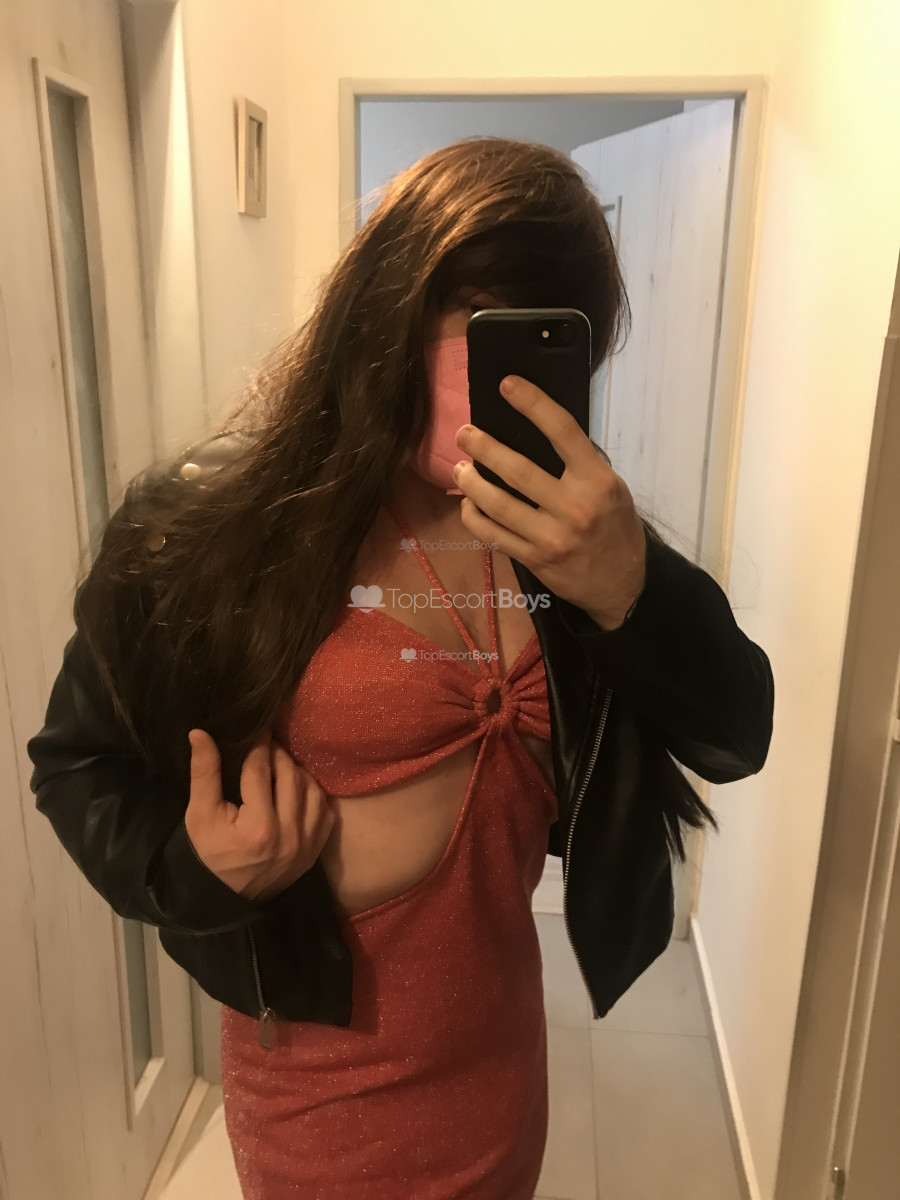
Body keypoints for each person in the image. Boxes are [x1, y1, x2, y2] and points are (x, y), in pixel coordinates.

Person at [26, 136, 774, 1199]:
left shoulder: (572, 541)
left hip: (499, 1062)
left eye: (550, 340)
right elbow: (76, 766)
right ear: (385, 312)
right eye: (478, 321)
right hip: (320, 1096)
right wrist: (195, 868)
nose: (506, 377)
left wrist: (632, 590)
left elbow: (737, 734)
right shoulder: (213, 531)